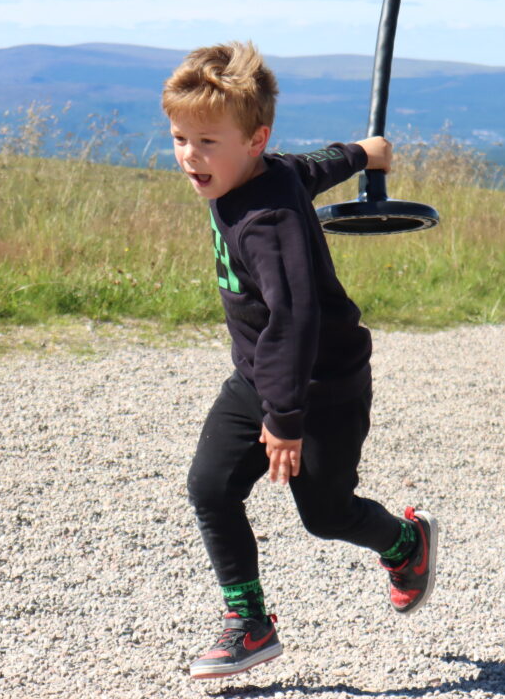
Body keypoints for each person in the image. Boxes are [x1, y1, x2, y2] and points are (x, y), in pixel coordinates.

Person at [162, 41, 439, 680]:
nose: (190, 157)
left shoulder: (267, 220)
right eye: (180, 138)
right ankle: (249, 623)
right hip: (262, 376)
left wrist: (284, 417)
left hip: (323, 385)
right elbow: (311, 166)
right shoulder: (271, 170)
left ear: (254, 140)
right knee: (210, 487)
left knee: (326, 514)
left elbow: (297, 317)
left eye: (207, 142)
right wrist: (361, 154)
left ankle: (405, 543)